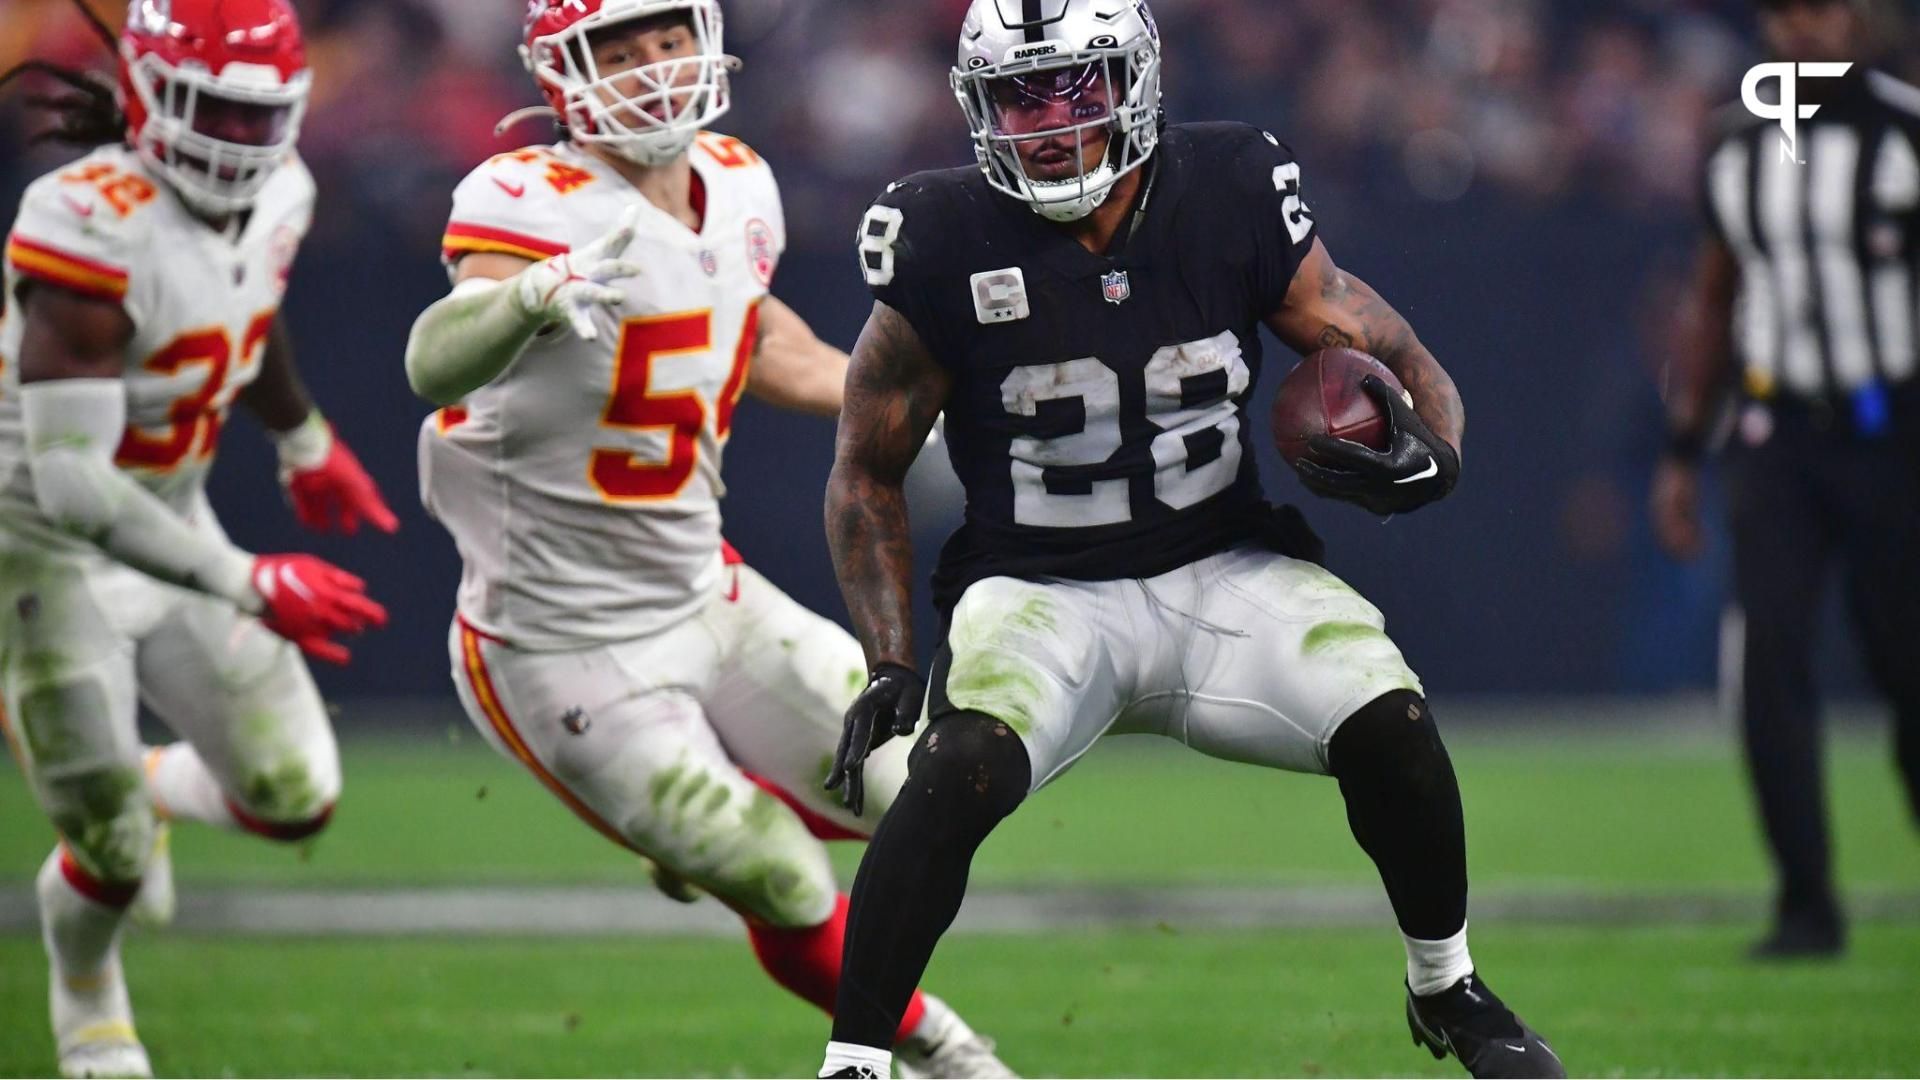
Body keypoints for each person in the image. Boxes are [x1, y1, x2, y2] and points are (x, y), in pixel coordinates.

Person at [815, 2, 1566, 1077]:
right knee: (956, 768)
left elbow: (1393, 344)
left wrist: (1434, 453)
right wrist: (889, 656)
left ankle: (1447, 987)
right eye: (1020, 94)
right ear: (978, 108)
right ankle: (855, 1062)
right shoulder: (941, 235)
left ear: (1138, 81)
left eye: (1076, 85)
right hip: (1040, 590)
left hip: (1223, 571)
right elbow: (866, 465)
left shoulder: (1229, 189)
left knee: (1390, 719)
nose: (1049, 121)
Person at [405, 2, 1010, 1074]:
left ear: (706, 34)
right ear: (561, 71)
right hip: (558, 641)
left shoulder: (736, 177)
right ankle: (951, 1056)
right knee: (777, 872)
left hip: (701, 590)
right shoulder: (522, 200)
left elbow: (746, 324)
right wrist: (525, 299)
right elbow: (433, 359)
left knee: (932, 790)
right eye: (618, 50)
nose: (651, 68)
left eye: (666, 38)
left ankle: (691, 825)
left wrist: (896, 402)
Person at [0, 0, 394, 1075]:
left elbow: (239, 309)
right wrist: (249, 579)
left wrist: (306, 439)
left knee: (294, 795)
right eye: (212, 107)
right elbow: (74, 485)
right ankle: (90, 1001)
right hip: (42, 552)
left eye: (260, 114)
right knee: (113, 854)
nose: (239, 141)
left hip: (170, 515)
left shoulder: (284, 190)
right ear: (144, 94)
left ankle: (143, 778)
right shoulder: (87, 216)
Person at [1652, 0, 1920, 958]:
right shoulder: (1734, 140)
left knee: (1907, 666)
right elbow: (1715, 293)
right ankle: (1806, 903)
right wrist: (1684, 448)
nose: (1807, 30)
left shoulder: (1904, 129)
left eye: (1826, 10)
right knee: (1768, 658)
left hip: (1894, 433)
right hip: (1775, 438)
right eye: (1790, 11)